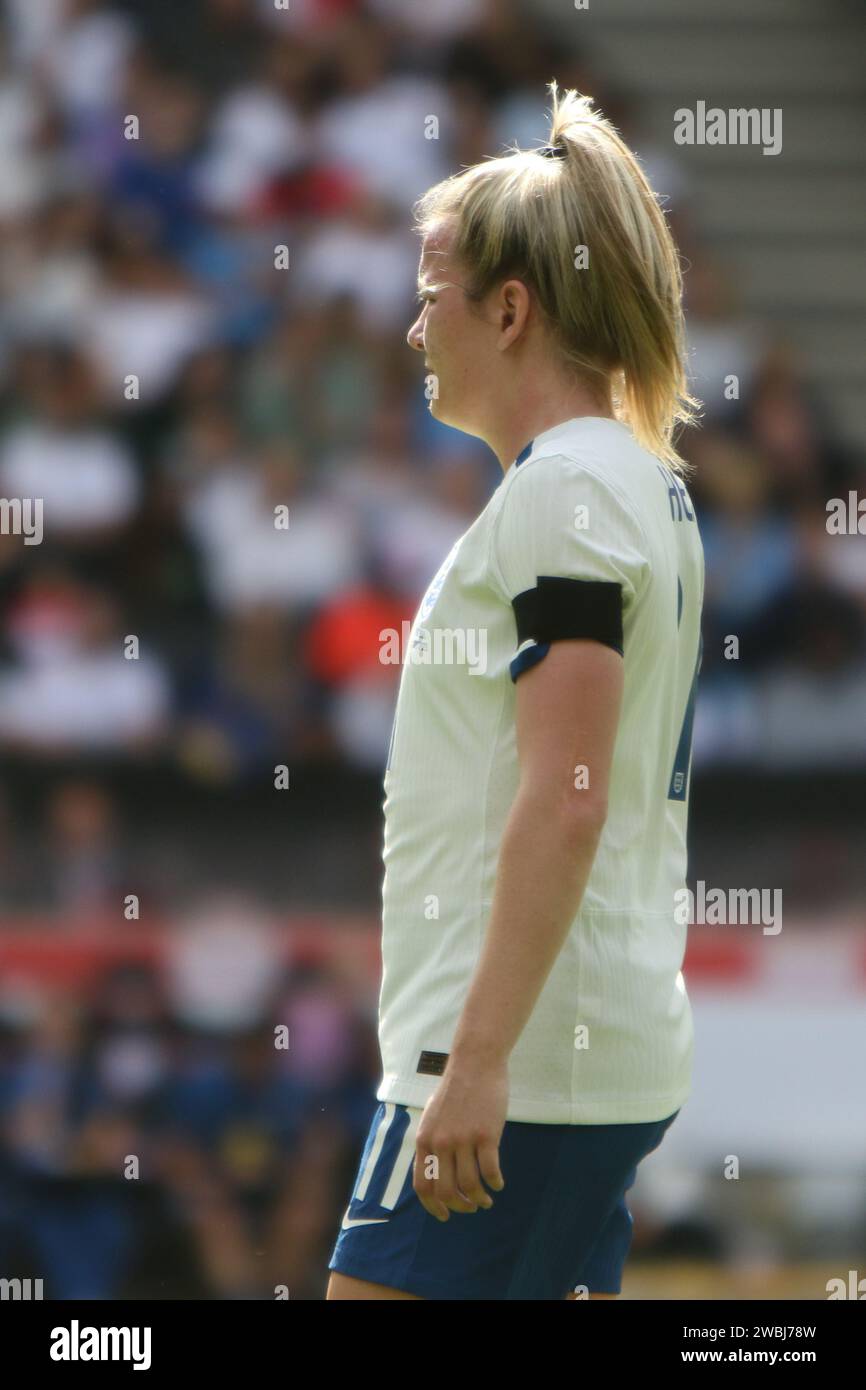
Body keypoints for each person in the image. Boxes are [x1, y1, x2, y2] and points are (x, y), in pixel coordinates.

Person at [327, 82, 703, 1301]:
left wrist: (471, 1065)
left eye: (428, 297)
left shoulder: (565, 493)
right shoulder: (635, 483)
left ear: (508, 307)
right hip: (578, 1054)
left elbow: (569, 793)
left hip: (515, 1069)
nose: (411, 329)